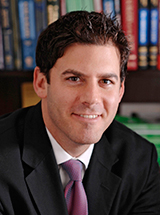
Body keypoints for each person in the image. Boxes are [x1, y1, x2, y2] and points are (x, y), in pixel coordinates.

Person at [0, 10, 160, 215]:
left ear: (120, 91)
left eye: (106, 81)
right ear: (41, 83)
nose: (92, 99)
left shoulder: (139, 160)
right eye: (74, 79)